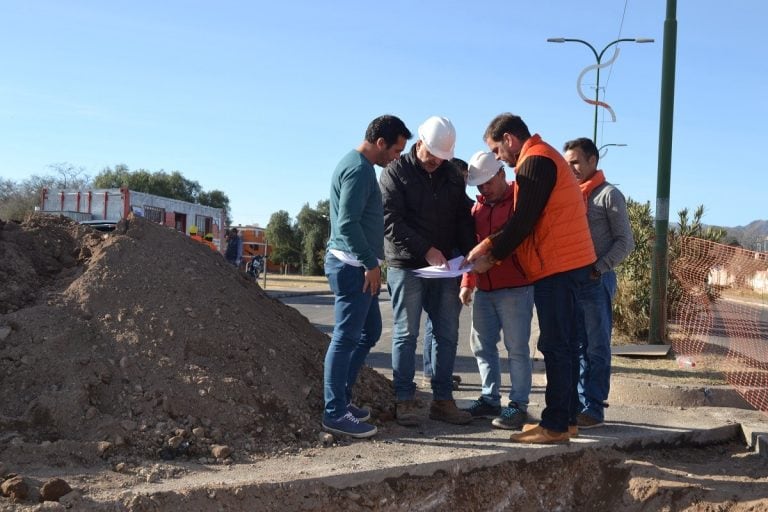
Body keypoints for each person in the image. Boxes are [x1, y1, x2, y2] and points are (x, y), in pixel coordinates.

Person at [465, 113, 597, 444]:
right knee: (563, 345)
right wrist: (488, 244)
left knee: (555, 345)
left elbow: (523, 221)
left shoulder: (534, 161)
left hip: (559, 266)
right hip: (564, 264)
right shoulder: (540, 157)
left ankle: (554, 425)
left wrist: (491, 255)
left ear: (509, 139)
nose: (498, 158)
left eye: (496, 150)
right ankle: (565, 421)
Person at [380, 116, 475, 426]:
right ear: (418, 143)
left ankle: (443, 400)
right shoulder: (395, 172)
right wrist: (425, 249)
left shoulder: (451, 174)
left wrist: (469, 256)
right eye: (431, 154)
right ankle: (404, 399)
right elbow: (391, 221)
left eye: (442, 157)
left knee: (447, 334)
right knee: (406, 334)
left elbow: (462, 217)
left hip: (445, 268)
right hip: (407, 266)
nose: (436, 161)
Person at [321, 115, 412, 438]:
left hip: (357, 265)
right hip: (352, 268)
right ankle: (334, 412)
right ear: (380, 143)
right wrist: (369, 265)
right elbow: (346, 224)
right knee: (346, 338)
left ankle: (342, 400)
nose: (397, 157)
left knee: (370, 330)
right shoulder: (359, 171)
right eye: (396, 150)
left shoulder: (357, 165)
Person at [562, 137, 635, 429]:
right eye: (567, 164)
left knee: (596, 348)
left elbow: (625, 242)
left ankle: (594, 407)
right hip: (571, 282)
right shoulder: (569, 195)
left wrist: (598, 268)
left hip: (596, 281)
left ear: (593, 161)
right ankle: (578, 405)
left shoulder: (609, 195)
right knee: (576, 346)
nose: (572, 169)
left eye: (576, 162)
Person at [459, 151, 534, 429]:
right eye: (479, 185)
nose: (484, 189)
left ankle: (518, 405)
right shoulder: (477, 209)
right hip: (485, 290)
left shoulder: (520, 200)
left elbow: (522, 236)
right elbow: (471, 251)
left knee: (516, 349)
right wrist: (467, 283)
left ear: (502, 174)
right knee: (482, 346)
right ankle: (490, 398)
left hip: (516, 288)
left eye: (488, 182)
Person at [422, 157, 471, 390]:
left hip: (452, 266)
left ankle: (434, 371)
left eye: (465, 177)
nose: (462, 182)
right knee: (443, 324)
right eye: (460, 177)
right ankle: (437, 375)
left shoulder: (463, 203)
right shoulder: (447, 204)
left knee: (437, 322)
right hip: (447, 267)